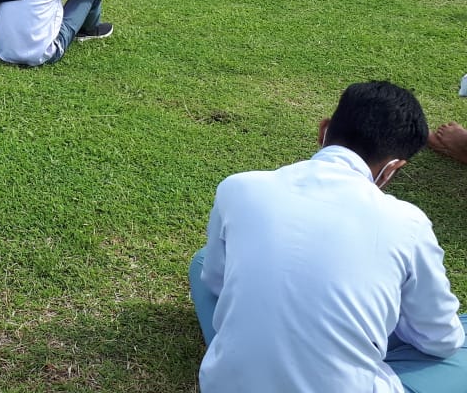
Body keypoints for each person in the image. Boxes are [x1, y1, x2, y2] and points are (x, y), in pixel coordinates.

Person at [190, 81, 467, 393]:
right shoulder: (409, 223)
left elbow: (214, 281)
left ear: (323, 131)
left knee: (203, 261)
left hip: (225, 384)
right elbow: (441, 340)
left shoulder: (239, 187)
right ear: (392, 170)